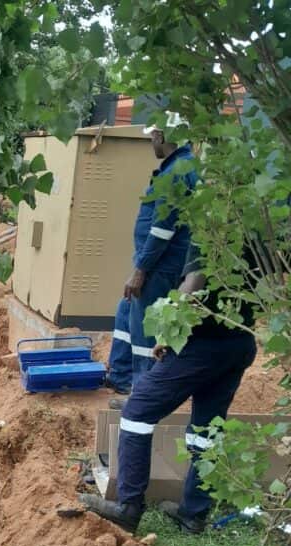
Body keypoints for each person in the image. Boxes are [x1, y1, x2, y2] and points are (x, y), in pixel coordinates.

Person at [81, 243, 258, 534]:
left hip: (201, 344)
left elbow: (194, 282)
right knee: (206, 430)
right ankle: (194, 513)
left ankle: (128, 508)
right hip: (239, 343)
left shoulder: (213, 222)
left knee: (136, 414)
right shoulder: (259, 231)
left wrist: (167, 332)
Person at [105, 115, 198, 399]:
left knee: (146, 331)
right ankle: (120, 377)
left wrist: (141, 269)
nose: (150, 141)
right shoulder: (176, 167)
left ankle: (142, 394)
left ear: (160, 135)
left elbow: (162, 229)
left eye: (151, 136)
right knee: (126, 315)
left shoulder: (179, 171)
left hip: (159, 266)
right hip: (150, 262)